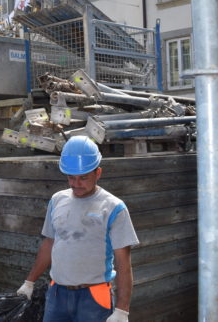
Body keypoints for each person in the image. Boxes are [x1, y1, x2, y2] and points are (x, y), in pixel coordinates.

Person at [16, 136, 139, 322]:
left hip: (94, 297)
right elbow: (49, 243)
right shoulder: (57, 200)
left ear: (98, 173)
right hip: (57, 294)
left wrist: (122, 310)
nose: (76, 184)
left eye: (83, 178)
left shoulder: (114, 208)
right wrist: (29, 281)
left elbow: (123, 263)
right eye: (71, 177)